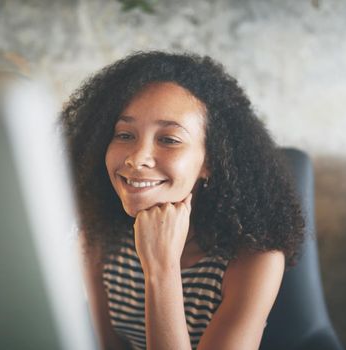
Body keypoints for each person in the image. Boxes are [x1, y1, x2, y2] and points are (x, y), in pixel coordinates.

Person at [60, 51, 304, 350]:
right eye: (124, 134)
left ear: (210, 161)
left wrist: (161, 268)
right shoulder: (98, 235)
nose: (137, 158)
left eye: (169, 139)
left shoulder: (254, 260)